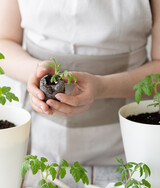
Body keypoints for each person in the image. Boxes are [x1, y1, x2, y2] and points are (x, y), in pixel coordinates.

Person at [0, 0, 159, 165]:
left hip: (128, 144)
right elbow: (4, 41)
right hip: (42, 143)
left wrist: (102, 86)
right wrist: (36, 71)